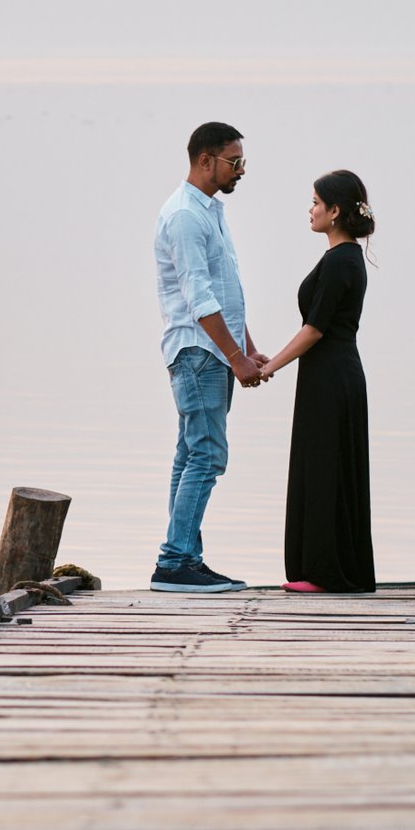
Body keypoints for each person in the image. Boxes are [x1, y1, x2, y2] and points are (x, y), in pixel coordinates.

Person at [150, 122, 269, 593]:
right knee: (207, 454)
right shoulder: (184, 216)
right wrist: (236, 357)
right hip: (198, 352)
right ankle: (174, 561)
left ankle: (184, 557)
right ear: (205, 160)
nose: (241, 170)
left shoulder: (209, 210)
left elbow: (225, 293)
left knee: (191, 454)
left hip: (212, 350)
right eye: (234, 162)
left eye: (242, 162)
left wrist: (248, 348)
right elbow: (198, 298)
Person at [257, 170, 377, 593]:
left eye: (315, 203)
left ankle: (327, 572)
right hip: (328, 373)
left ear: (335, 210)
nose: (310, 210)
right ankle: (325, 569)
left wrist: (268, 367)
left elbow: (314, 329)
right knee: (322, 465)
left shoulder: (342, 260)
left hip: (331, 375)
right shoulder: (343, 257)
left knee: (326, 469)